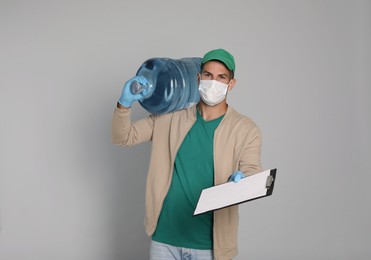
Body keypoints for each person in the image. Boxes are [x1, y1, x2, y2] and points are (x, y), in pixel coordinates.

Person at [112, 49, 262, 260]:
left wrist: (244, 180)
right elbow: (124, 137)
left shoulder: (246, 129)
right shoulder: (169, 117)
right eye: (208, 75)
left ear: (231, 84)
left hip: (209, 245)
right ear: (199, 78)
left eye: (221, 77)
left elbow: (252, 170)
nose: (213, 82)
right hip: (165, 239)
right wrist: (124, 103)